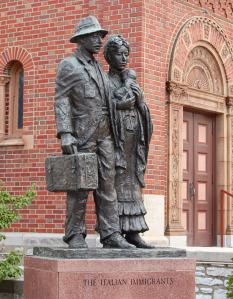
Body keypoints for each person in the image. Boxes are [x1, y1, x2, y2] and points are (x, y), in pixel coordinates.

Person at [54, 17, 135, 249]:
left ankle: (110, 234)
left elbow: (106, 99)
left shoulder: (98, 68)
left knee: (108, 185)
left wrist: (124, 100)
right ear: (81, 39)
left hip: (105, 134)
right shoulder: (69, 65)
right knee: (80, 186)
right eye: (93, 36)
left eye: (100, 36)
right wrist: (65, 132)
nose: (99, 41)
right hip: (82, 134)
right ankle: (74, 234)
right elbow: (62, 99)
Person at [104, 35, 154, 248]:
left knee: (132, 184)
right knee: (114, 186)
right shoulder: (105, 82)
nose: (124, 58)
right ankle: (113, 232)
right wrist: (118, 107)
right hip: (115, 141)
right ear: (109, 55)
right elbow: (100, 110)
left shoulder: (131, 81)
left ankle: (133, 232)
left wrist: (141, 103)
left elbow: (143, 110)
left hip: (134, 143)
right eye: (119, 54)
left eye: (126, 54)